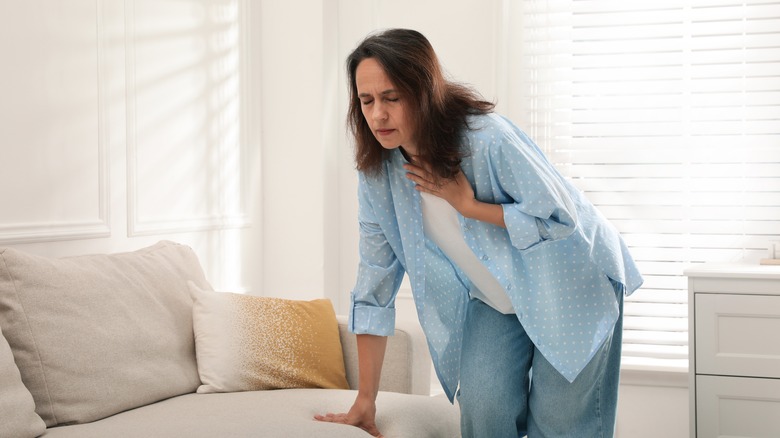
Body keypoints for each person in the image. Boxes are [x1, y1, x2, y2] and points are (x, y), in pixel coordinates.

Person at [315, 28, 643, 438]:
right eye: (367, 101)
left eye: (392, 98)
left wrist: (469, 206)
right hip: (493, 296)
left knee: (562, 425)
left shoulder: (487, 140)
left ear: (424, 92)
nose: (378, 114)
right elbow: (374, 288)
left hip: (568, 282)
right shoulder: (378, 178)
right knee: (485, 412)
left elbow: (560, 221)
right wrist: (366, 400)